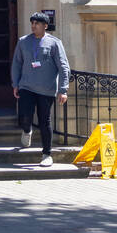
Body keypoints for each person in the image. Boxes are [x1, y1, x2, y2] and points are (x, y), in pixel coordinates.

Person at [11, 12, 69, 167]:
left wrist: (63, 90)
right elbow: (17, 63)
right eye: (32, 23)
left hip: (46, 89)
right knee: (25, 115)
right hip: (26, 86)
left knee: (45, 121)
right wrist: (15, 83)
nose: (33, 26)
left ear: (45, 26)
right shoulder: (23, 41)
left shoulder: (55, 43)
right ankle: (27, 130)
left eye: (37, 23)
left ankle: (46, 154)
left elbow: (63, 66)